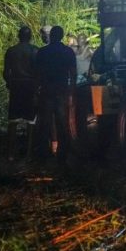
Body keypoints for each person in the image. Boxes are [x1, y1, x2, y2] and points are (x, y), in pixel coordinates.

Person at [35, 25, 77, 162]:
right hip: (62, 91)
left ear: (51, 36)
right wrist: (71, 90)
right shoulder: (68, 52)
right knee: (62, 123)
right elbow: (73, 73)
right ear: (61, 36)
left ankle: (44, 153)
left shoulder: (42, 52)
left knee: (45, 123)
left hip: (46, 91)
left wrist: (37, 90)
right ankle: (62, 152)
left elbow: (38, 73)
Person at [4, 26, 39, 160]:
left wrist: (10, 84)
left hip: (16, 86)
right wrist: (37, 89)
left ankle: (10, 154)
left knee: (13, 121)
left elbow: (6, 72)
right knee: (31, 122)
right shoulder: (35, 50)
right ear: (30, 36)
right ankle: (29, 155)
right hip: (30, 87)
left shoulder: (11, 51)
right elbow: (38, 73)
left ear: (19, 36)